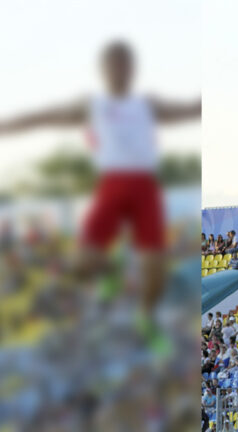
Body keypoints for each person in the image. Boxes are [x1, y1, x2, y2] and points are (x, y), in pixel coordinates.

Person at [0, 40, 200, 352]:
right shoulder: (91, 105)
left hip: (145, 188)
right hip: (112, 184)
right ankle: (113, 270)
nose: (120, 69)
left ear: (132, 69)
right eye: (114, 63)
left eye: (125, 63)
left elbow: (190, 109)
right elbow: (42, 117)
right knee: (81, 264)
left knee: (155, 273)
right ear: (104, 69)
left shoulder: (146, 104)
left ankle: (145, 318)